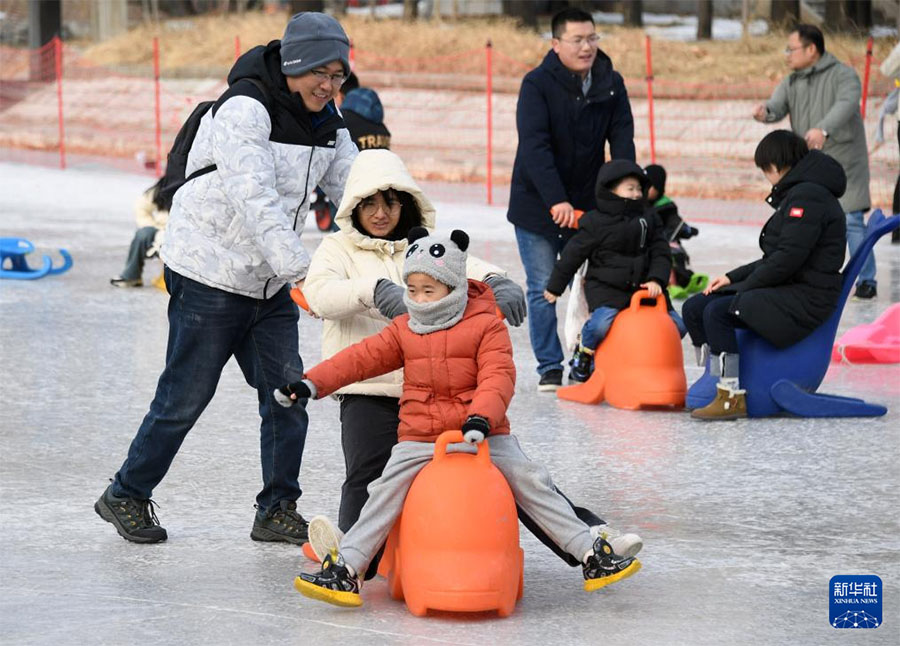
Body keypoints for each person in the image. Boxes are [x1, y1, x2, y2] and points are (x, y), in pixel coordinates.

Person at [300, 149, 633, 578]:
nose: (381, 214)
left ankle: (591, 537)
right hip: (372, 391)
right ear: (353, 206)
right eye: (370, 204)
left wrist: (496, 281)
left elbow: (467, 266)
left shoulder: (424, 247)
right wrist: (374, 290)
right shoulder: (336, 248)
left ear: (407, 203)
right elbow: (320, 294)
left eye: (391, 203)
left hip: (450, 392)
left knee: (512, 474)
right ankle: (351, 556)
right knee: (371, 476)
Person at [94, 12, 358, 544]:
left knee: (288, 394)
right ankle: (126, 492)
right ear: (295, 64)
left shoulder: (327, 121)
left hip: (267, 281)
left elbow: (360, 184)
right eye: (320, 74)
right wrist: (305, 275)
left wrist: (416, 237)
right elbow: (254, 198)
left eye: (338, 76)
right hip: (209, 272)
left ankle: (276, 508)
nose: (329, 87)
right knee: (185, 397)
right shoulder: (245, 108)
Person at [508, 7, 635, 391]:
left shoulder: (610, 82)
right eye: (577, 40)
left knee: (596, 283)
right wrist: (556, 200)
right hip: (538, 203)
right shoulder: (536, 84)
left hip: (590, 202)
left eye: (592, 38)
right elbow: (535, 147)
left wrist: (627, 190)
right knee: (543, 285)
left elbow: (622, 139)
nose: (586, 47)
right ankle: (550, 366)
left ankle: (588, 358)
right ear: (555, 44)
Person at [683, 130, 846, 420]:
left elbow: (786, 261)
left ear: (775, 166)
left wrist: (743, 288)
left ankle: (729, 394)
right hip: (792, 286)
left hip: (806, 296)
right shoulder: (802, 192)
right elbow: (778, 258)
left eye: (765, 170)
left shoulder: (808, 197)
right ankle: (713, 375)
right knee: (696, 306)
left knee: (718, 312)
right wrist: (732, 278)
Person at [752, 24, 874, 299]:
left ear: (811, 49)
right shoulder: (792, 81)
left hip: (844, 159)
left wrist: (824, 129)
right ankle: (808, 276)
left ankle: (866, 279)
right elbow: (777, 105)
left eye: (791, 49)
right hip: (809, 163)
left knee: (852, 219)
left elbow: (847, 103)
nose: (787, 55)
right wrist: (765, 111)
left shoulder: (843, 75)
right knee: (809, 222)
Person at [543, 160, 686, 383]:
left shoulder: (649, 219)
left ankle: (643, 359)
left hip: (646, 288)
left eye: (639, 188)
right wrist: (555, 286)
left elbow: (661, 252)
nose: (636, 193)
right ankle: (584, 354)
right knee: (601, 325)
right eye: (630, 188)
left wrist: (657, 279)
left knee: (678, 326)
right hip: (608, 289)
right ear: (610, 191)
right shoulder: (595, 222)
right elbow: (572, 254)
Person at [643, 163, 703, 292]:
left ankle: (680, 280)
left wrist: (687, 230)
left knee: (675, 253)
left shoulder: (666, 207)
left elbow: (675, 222)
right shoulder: (639, 204)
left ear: (658, 188)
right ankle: (670, 282)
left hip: (667, 239)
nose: (645, 189)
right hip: (648, 244)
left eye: (649, 186)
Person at [109, 178, 171, 288]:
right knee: (143, 234)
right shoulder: (166, 184)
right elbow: (141, 207)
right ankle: (132, 275)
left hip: (186, 235)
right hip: (162, 232)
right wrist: (154, 228)